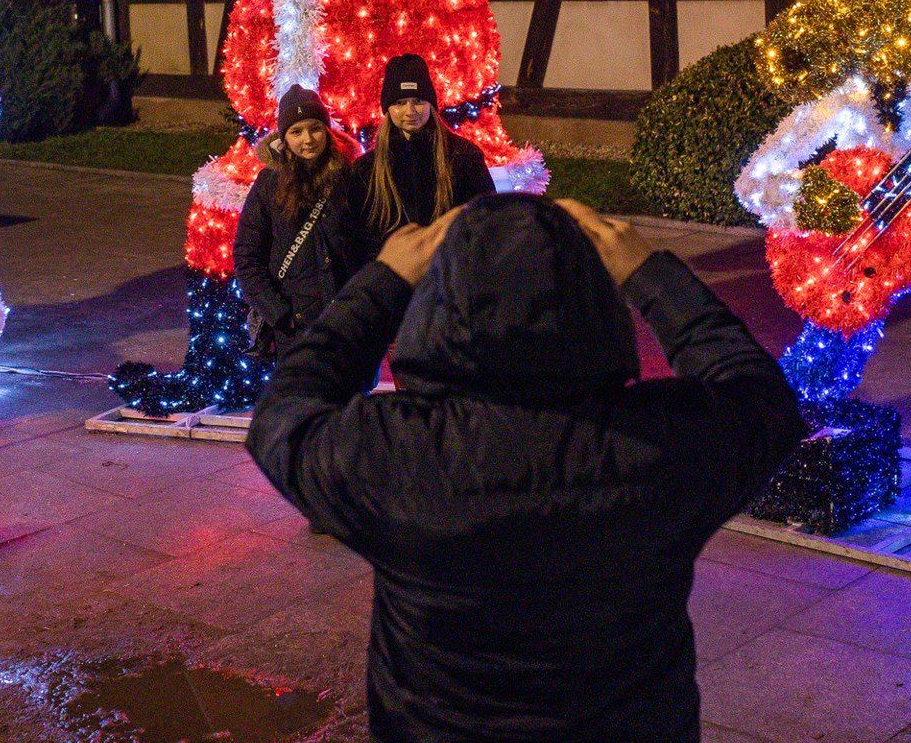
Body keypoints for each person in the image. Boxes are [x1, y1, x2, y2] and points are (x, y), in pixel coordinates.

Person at [248, 193, 808, 742]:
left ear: (439, 307)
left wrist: (383, 283)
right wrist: (650, 274)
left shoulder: (392, 452)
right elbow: (760, 399)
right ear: (593, 303)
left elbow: (284, 414)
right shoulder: (665, 443)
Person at [233, 85, 358, 359]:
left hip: (347, 322)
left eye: (315, 128)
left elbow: (367, 245)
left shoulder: (349, 178)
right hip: (296, 329)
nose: (308, 139)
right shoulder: (269, 184)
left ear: (326, 130)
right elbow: (247, 256)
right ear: (284, 138)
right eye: (296, 132)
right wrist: (279, 313)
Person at [346, 53, 495, 260]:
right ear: (388, 109)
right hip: (394, 273)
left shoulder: (463, 157)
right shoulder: (366, 168)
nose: (410, 111)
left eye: (418, 101)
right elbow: (357, 237)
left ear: (430, 104)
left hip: (448, 270)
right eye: (400, 103)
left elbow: (485, 219)